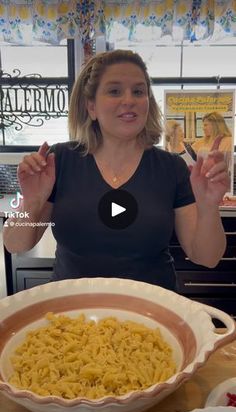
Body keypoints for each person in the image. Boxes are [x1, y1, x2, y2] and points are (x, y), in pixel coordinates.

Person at [3, 50, 229, 291]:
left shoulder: (171, 167)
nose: (129, 100)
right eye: (114, 91)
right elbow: (16, 244)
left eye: (138, 91)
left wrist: (208, 208)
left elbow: (206, 257)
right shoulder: (59, 161)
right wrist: (32, 203)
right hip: (71, 316)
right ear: (91, 107)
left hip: (151, 314)